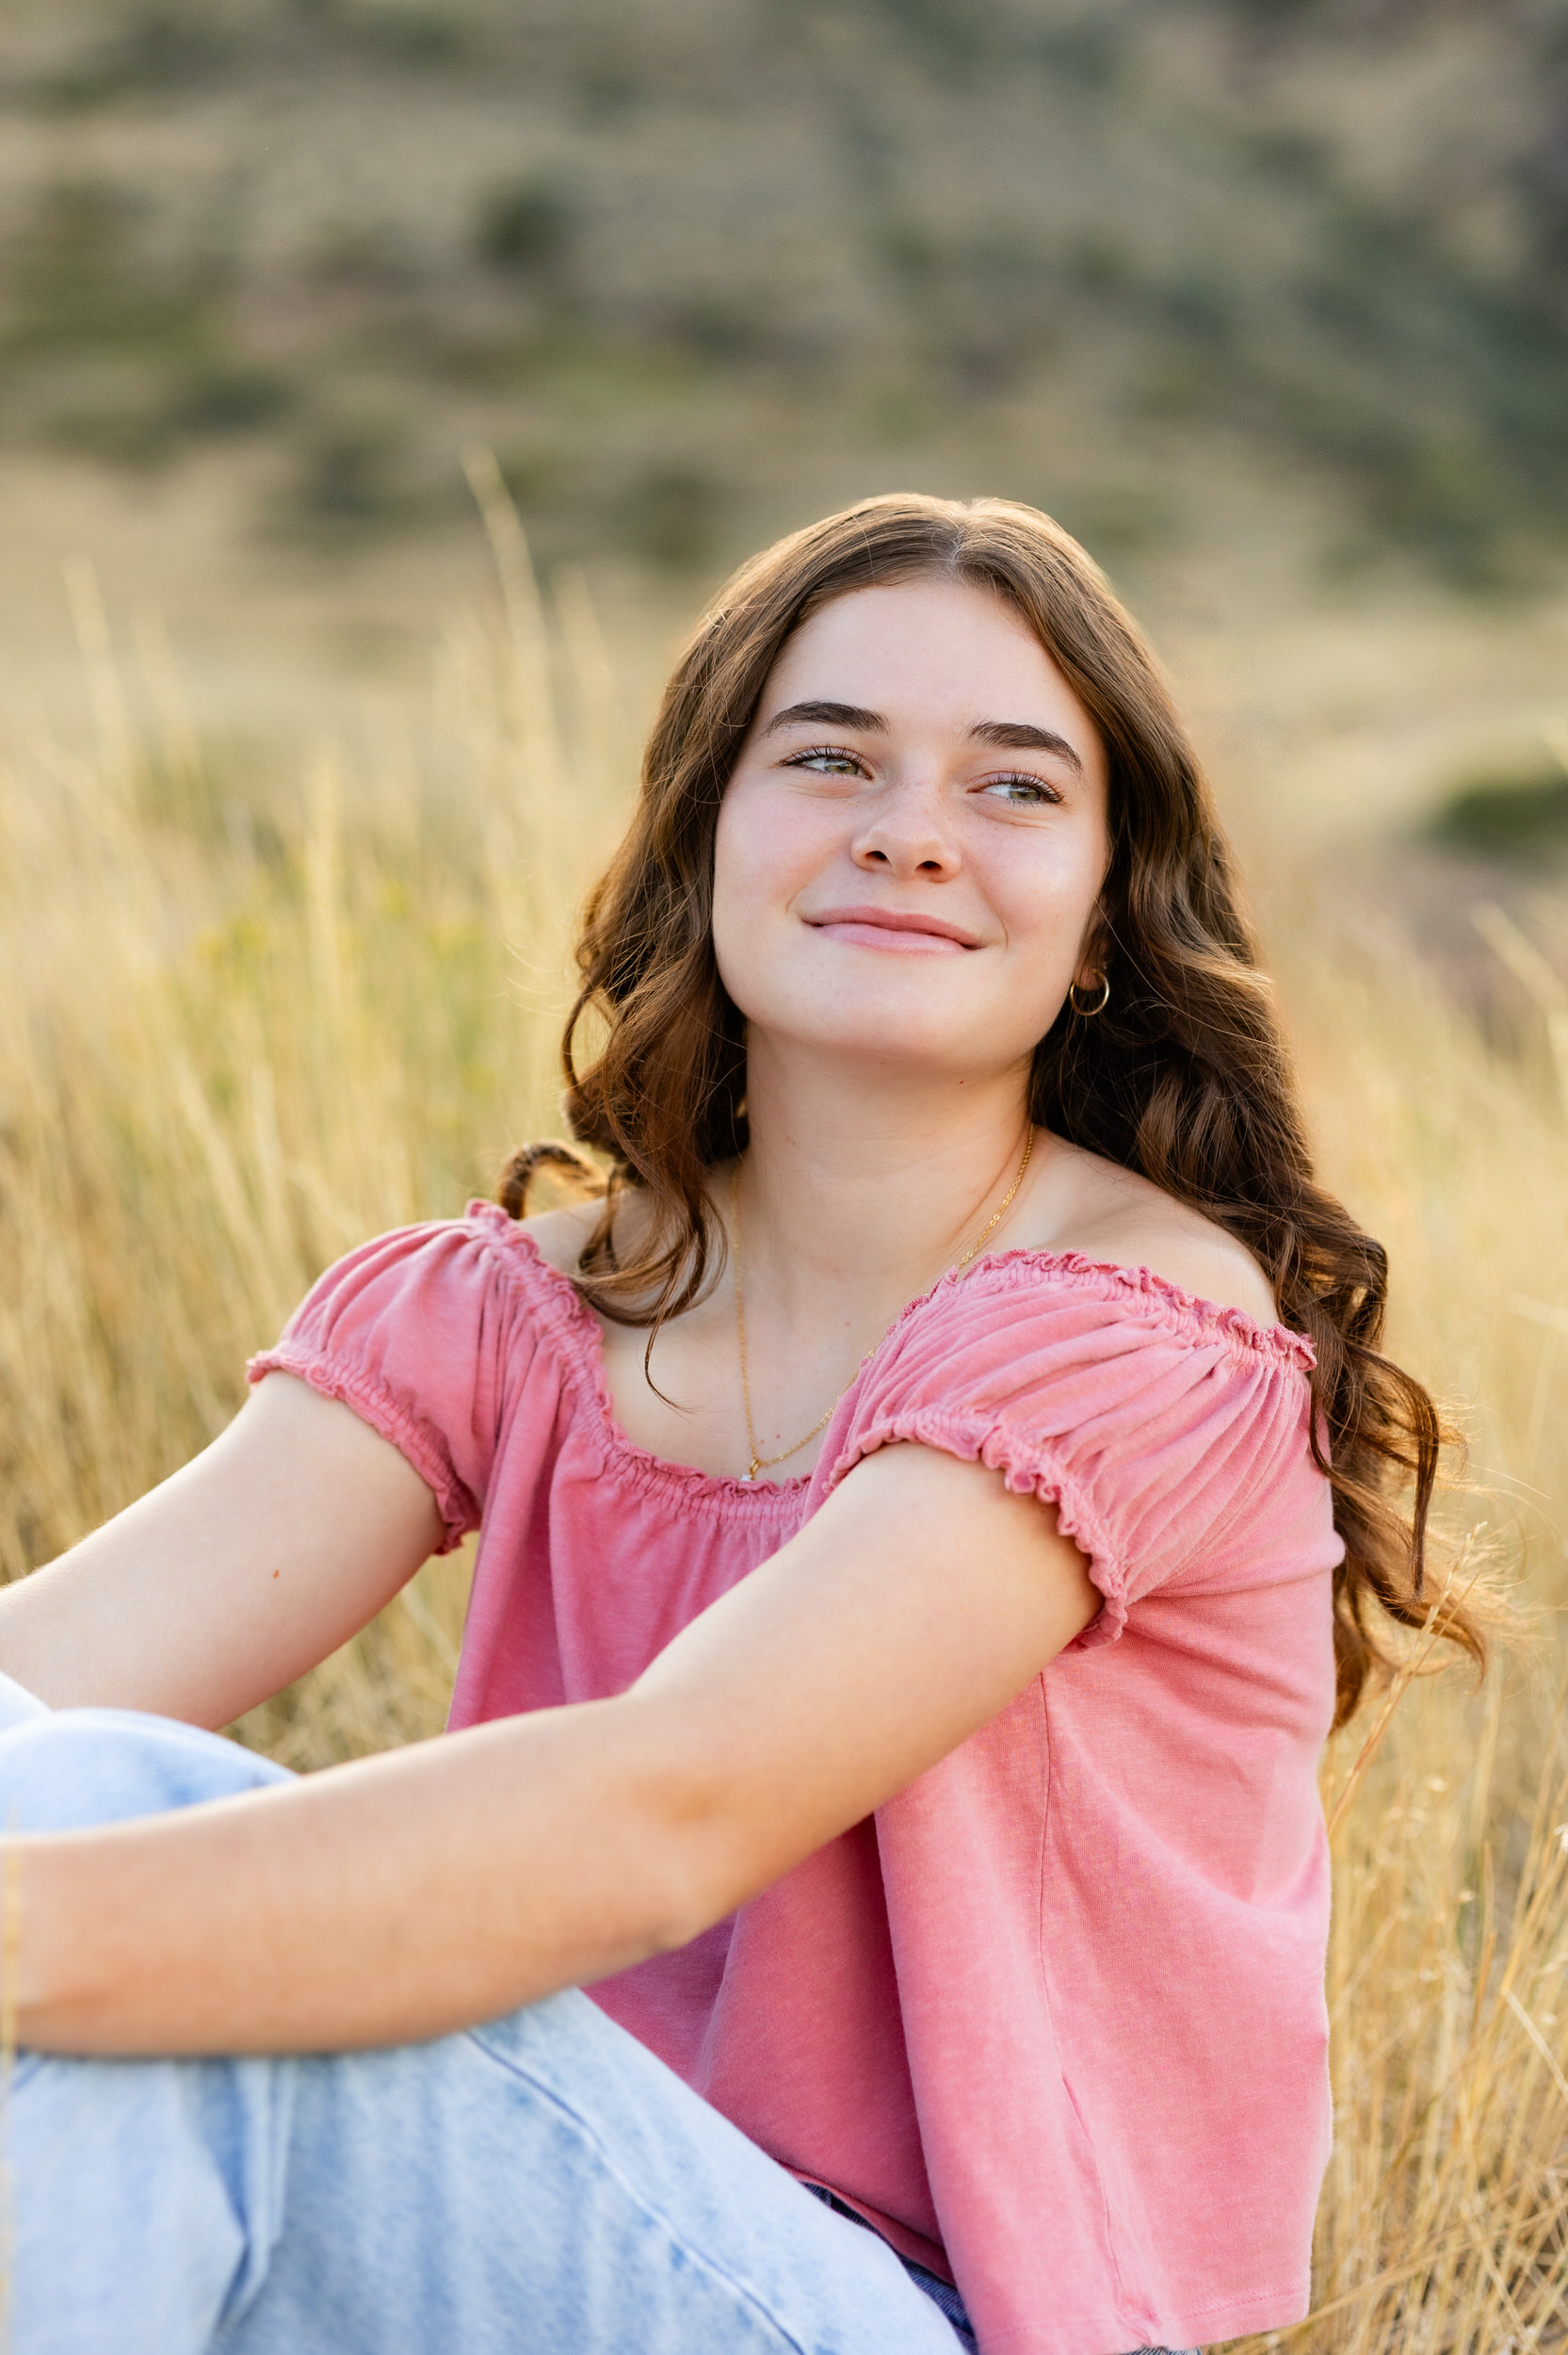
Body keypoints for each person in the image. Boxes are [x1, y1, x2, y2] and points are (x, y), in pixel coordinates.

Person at [0, 495, 1479, 2355]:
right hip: (546, 2229)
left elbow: (668, 1809)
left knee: (119, 1893)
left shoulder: (1132, 1330)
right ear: (706, 836)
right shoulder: (523, 1310)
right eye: (830, 755)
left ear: (1104, 917)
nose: (908, 830)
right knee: (52, 1781)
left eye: (1014, 786)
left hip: (915, 2311)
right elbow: (40, 1676)